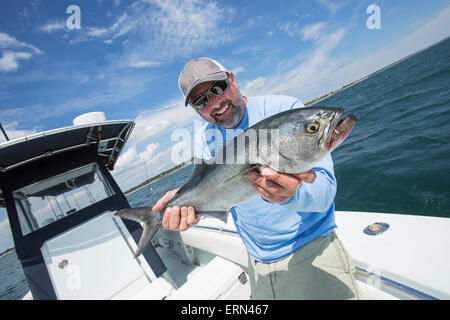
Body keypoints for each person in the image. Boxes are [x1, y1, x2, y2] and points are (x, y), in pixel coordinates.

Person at [152, 57, 362, 299]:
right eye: (201, 101)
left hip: (312, 250)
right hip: (257, 263)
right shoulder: (205, 138)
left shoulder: (285, 109)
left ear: (232, 78)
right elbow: (211, 185)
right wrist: (183, 202)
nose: (216, 103)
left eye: (218, 88)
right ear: (197, 110)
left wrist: (291, 194)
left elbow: (324, 194)